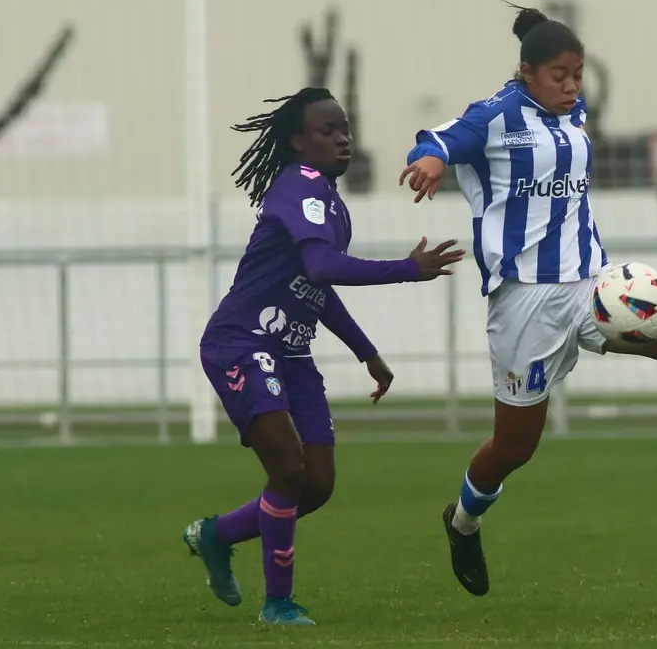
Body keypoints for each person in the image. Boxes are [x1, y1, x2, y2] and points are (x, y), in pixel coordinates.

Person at [400, 6, 657, 597]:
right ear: (526, 74)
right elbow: (440, 138)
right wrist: (431, 159)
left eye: (578, 74)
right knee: (516, 447)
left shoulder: (574, 114)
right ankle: (463, 521)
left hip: (592, 290)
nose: (572, 86)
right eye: (559, 75)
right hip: (524, 305)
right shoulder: (495, 117)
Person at [183, 87, 464, 625]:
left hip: (290, 353)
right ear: (297, 141)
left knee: (317, 484)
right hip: (241, 343)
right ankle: (278, 604)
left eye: (345, 128)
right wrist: (406, 268)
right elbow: (321, 267)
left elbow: (315, 288)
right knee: (288, 468)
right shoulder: (299, 185)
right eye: (326, 130)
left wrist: (367, 353)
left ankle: (215, 536)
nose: (342, 137)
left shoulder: (331, 202)